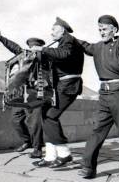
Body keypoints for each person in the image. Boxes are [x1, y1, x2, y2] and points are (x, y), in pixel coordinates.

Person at [76, 15, 119, 179]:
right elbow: (84, 45)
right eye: (99, 29)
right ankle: (88, 168)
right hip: (104, 94)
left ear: (114, 29)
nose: (102, 32)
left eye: (105, 29)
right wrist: (68, 38)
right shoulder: (98, 47)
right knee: (97, 130)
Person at [30, 17, 84, 168]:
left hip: (69, 85)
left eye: (54, 29)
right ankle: (50, 156)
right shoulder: (63, 42)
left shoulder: (68, 40)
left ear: (62, 30)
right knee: (45, 116)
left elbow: (64, 54)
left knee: (50, 116)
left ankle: (64, 153)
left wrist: (42, 49)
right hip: (62, 85)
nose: (51, 32)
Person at [0, 26, 45, 158]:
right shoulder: (24, 56)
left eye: (34, 46)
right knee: (15, 120)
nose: (32, 49)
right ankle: (27, 141)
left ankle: (37, 148)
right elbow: (13, 47)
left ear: (39, 47)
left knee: (34, 122)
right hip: (20, 94)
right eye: (30, 47)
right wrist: (1, 37)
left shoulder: (45, 59)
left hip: (35, 94)